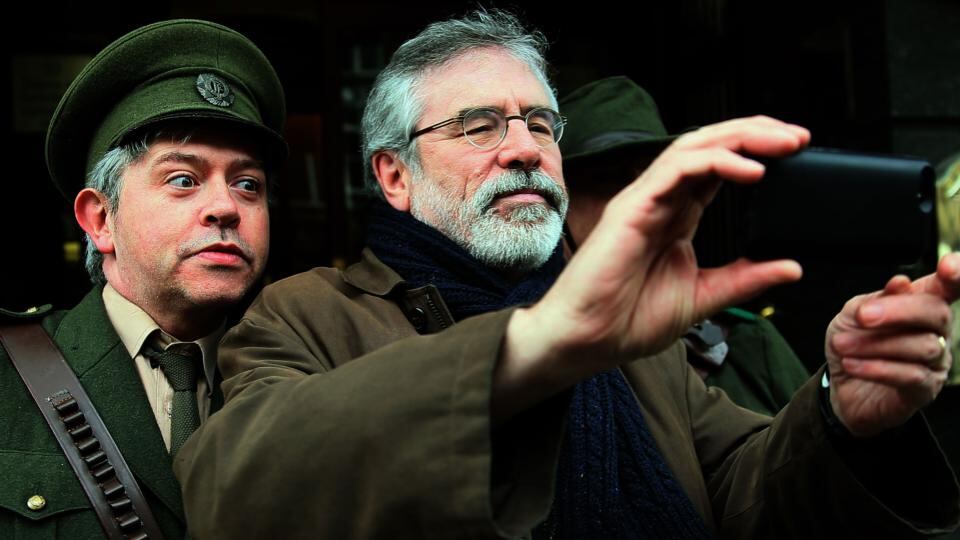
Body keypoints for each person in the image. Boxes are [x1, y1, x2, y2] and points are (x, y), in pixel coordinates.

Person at [177, 10, 960, 539]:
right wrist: (535, 349)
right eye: (478, 125)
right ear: (393, 176)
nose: (522, 148)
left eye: (540, 123)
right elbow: (234, 489)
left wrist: (839, 411)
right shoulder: (305, 313)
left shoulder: (634, 329)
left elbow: (740, 491)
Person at [0, 19, 285, 539]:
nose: (226, 206)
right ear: (101, 220)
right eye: (183, 179)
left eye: (248, 184)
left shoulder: (308, 368)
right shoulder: (10, 374)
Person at [560, 75, 809, 416]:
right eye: (607, 179)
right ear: (559, 202)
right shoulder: (523, 344)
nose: (643, 199)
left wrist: (833, 400)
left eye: (659, 178)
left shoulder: (745, 342)